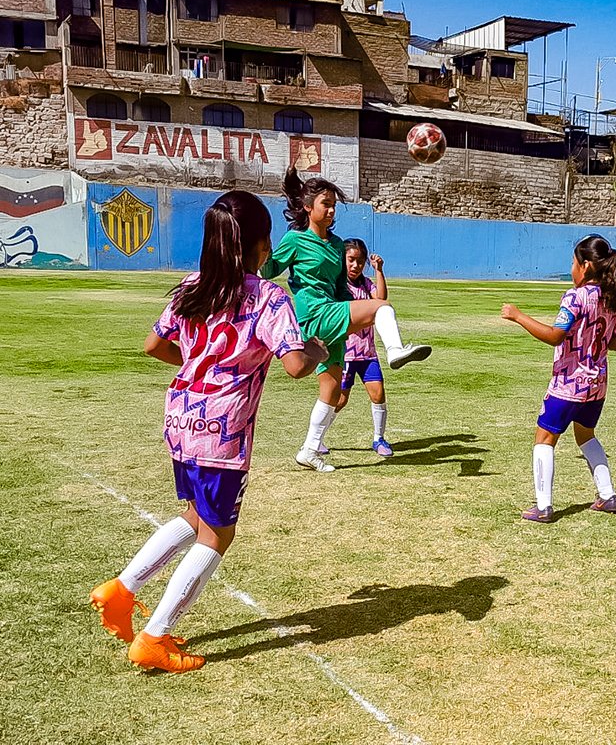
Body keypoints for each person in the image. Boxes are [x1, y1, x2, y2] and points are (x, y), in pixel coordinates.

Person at [89, 191, 327, 672]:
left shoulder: (190, 286)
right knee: (218, 535)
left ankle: (121, 590)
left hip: (181, 419)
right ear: (261, 244)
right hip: (222, 430)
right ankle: (154, 637)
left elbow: (154, 345)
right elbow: (296, 365)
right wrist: (319, 351)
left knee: (197, 514)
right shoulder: (267, 296)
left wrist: (202, 364)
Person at [260, 168, 431, 472]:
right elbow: (270, 270)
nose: (331, 210)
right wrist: (264, 245)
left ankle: (309, 450)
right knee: (382, 307)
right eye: (325, 204)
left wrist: (353, 316)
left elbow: (341, 288)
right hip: (314, 315)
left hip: (333, 313)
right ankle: (395, 351)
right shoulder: (295, 240)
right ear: (307, 207)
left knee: (332, 391)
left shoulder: (338, 244)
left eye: (334, 205)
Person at [502, 235, 616, 522]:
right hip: (596, 386)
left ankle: (543, 506)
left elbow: (556, 335)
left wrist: (518, 316)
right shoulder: (611, 298)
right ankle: (608, 495)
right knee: (586, 436)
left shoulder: (575, 296)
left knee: (544, 438)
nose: (571, 269)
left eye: (572, 263)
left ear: (585, 265)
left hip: (569, 384)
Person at [324, 238, 394, 457]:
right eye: (351, 260)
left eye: (360, 261)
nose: (356, 265)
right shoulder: (338, 286)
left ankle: (379, 439)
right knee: (339, 399)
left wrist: (379, 270)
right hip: (345, 354)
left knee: (378, 394)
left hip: (367, 354)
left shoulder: (366, 284)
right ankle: (317, 438)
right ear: (342, 259)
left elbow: (381, 299)